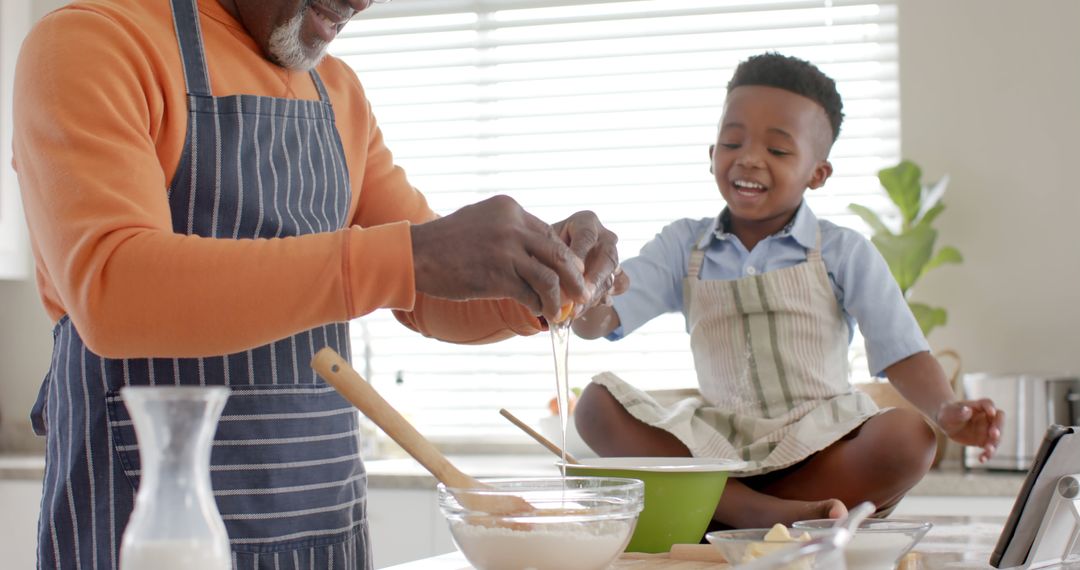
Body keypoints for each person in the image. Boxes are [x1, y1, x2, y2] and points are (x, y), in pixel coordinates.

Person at [11, 0, 624, 568]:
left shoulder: (338, 93)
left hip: (322, 533)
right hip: (142, 533)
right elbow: (118, 290)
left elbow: (431, 287)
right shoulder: (95, 42)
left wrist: (546, 275)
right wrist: (410, 254)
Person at [570, 52, 1004, 530]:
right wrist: (589, 290)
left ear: (817, 173)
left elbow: (903, 351)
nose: (750, 158)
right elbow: (598, 321)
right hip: (718, 447)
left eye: (778, 151)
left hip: (821, 444)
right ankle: (761, 514)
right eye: (732, 141)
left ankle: (725, 510)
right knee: (595, 405)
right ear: (712, 154)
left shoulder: (842, 250)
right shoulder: (683, 245)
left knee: (910, 438)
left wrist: (946, 410)